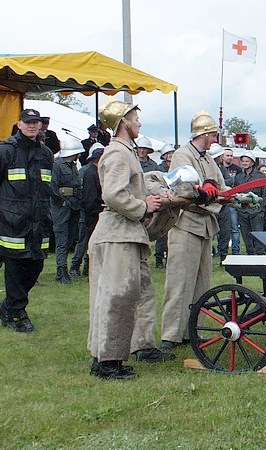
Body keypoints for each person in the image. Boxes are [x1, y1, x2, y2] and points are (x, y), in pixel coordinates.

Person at [87, 100, 164, 379]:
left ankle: (106, 357)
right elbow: (114, 195)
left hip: (122, 232)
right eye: (135, 118)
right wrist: (144, 206)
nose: (139, 123)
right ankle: (108, 362)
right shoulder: (118, 153)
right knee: (117, 297)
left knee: (116, 296)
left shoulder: (124, 152)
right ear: (123, 122)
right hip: (118, 233)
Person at [160, 110, 226, 350]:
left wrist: (224, 193)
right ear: (205, 134)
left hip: (206, 226)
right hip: (186, 225)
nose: (215, 140)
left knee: (201, 284)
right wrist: (203, 190)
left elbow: (220, 185)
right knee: (179, 282)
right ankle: (171, 335)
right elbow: (183, 187)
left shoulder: (208, 159)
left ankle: (194, 331)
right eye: (213, 135)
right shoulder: (182, 155)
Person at [0, 109, 53, 333]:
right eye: (28, 122)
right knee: (14, 268)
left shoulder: (46, 154)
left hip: (39, 222)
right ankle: (17, 313)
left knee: (35, 266)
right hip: (12, 222)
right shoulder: (6, 151)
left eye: (36, 122)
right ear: (19, 124)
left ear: (41, 125)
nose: (32, 126)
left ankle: (8, 307)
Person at [50, 137, 84, 284]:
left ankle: (64, 270)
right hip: (62, 207)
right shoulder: (57, 165)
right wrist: (61, 201)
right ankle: (61, 271)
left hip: (73, 205)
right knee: (62, 240)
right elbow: (52, 186)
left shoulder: (72, 166)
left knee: (69, 239)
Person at [77, 144, 104, 277]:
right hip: (93, 214)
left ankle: (88, 269)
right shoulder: (91, 173)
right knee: (91, 243)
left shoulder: (94, 172)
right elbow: (90, 198)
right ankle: (87, 269)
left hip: (94, 212)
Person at [233, 151, 266, 255]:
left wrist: (262, 209)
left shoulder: (260, 176)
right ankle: (250, 258)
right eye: (243, 161)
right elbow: (236, 193)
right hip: (243, 212)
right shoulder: (238, 177)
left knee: (258, 238)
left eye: (247, 161)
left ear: (252, 162)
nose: (244, 163)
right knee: (247, 239)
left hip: (256, 212)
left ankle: (260, 259)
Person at [216, 147, 242, 261]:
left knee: (226, 231)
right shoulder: (209, 167)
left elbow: (229, 181)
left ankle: (223, 255)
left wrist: (217, 184)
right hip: (209, 203)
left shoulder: (221, 168)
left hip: (223, 203)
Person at [154, 143, 175, 269]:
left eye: (173, 153)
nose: (171, 156)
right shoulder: (159, 168)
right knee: (160, 233)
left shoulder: (176, 167)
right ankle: (159, 258)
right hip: (162, 201)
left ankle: (170, 258)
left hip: (173, 202)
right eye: (169, 153)